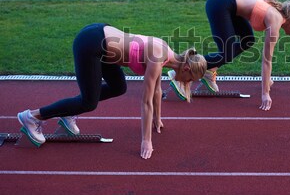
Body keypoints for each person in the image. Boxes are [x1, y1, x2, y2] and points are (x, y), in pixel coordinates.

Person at [17, 23, 206, 159]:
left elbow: (157, 90)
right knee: (88, 103)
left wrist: (157, 119)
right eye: (190, 80)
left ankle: (68, 113)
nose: (187, 83)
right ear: (187, 69)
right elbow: (146, 101)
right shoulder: (159, 56)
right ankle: (33, 117)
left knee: (118, 87)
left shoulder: (166, 54)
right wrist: (146, 140)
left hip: (102, 42)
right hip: (91, 44)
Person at [169, 0, 290, 111]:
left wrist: (267, 80)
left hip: (229, 4)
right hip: (221, 3)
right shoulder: (275, 20)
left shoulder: (277, 14)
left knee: (247, 41)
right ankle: (180, 70)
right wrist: (265, 93)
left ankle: (208, 70)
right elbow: (266, 61)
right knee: (227, 52)